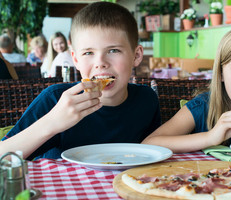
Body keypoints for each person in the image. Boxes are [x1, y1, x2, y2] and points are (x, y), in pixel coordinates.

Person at [0, 2, 161, 160]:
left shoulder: (147, 100)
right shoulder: (55, 100)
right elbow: (3, 156)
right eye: (88, 53)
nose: (100, 62)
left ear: (136, 56)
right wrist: (52, 122)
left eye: (113, 50)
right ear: (75, 59)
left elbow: (153, 153)